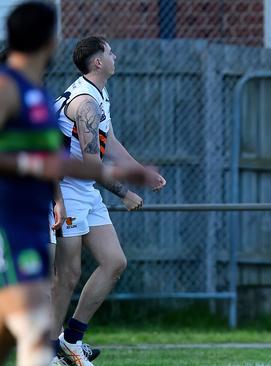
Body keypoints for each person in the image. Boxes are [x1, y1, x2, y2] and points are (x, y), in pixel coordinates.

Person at [0, 3, 153, 365]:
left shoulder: (37, 93)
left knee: (23, 314)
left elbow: (60, 160)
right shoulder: (9, 89)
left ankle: (58, 347)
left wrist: (124, 173)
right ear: (47, 40)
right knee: (38, 296)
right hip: (16, 216)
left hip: (37, 211)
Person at [49, 36, 167, 366]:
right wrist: (126, 192)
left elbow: (109, 142)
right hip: (67, 190)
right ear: (98, 62)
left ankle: (71, 340)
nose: (115, 55)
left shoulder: (99, 95)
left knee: (115, 262)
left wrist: (140, 171)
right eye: (110, 51)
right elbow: (91, 165)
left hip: (87, 190)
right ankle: (45, 353)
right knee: (68, 274)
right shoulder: (84, 102)